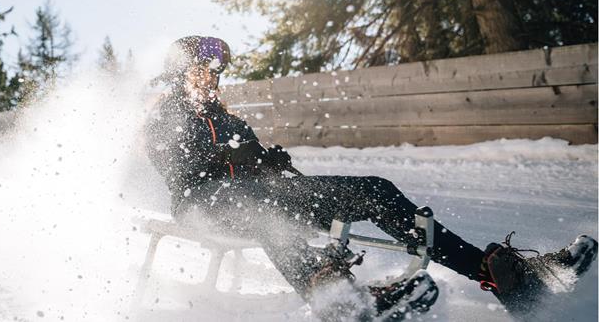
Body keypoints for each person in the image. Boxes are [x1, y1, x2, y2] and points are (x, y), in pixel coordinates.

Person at [143, 35, 596, 317]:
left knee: (374, 191)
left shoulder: (234, 121)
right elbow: (177, 168)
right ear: (181, 73)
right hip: (204, 204)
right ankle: (336, 299)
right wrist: (227, 155)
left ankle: (496, 272)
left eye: (216, 73)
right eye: (203, 71)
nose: (211, 79)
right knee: (269, 207)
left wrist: (271, 164)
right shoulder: (166, 116)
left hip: (266, 192)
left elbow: (261, 168)